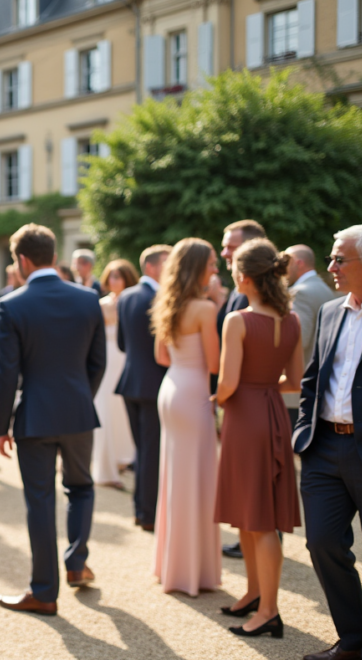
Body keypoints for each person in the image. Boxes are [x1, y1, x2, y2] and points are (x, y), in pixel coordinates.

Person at [0, 224, 107, 615]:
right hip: (78, 412)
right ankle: (76, 564)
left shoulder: (11, 305)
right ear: (54, 256)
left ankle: (44, 592)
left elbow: (6, 373)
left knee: (39, 502)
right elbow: (98, 364)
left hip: (35, 417)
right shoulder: (88, 299)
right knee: (82, 489)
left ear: (22, 260)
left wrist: (1, 426)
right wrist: (78, 400)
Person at [293, 225, 362, 660]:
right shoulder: (331, 311)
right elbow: (313, 377)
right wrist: (304, 432)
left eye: (339, 259)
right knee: (322, 542)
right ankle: (353, 639)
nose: (330, 267)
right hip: (324, 450)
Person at [214, 239, 304, 638]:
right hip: (271, 414)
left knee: (260, 519)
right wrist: (265, 386)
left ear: (244, 278)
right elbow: (297, 381)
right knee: (252, 514)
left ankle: (268, 609)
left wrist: (216, 397)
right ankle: (254, 594)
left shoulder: (239, 320)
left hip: (244, 418)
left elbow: (227, 383)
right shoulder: (293, 320)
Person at [150, 237, 222, 596]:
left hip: (172, 387)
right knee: (196, 479)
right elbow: (215, 364)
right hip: (193, 394)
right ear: (197, 267)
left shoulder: (167, 304)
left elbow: (162, 356)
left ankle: (172, 566)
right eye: (211, 262)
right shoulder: (205, 308)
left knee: (176, 477)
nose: (216, 269)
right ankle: (194, 571)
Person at [218, 219, 267, 560]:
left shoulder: (254, 304)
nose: (224, 252)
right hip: (254, 400)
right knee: (249, 492)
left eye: (230, 246)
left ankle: (262, 596)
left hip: (246, 403)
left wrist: (220, 395)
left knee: (257, 494)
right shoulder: (239, 294)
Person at [115, 245, 172, 531]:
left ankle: (141, 509)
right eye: (167, 263)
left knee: (143, 450)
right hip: (155, 385)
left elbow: (123, 344)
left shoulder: (125, 296)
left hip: (130, 382)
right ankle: (148, 514)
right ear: (151, 267)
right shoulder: (163, 298)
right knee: (151, 452)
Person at [92, 259, 138, 488]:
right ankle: (105, 468)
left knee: (122, 411)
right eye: (111, 276)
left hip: (126, 359)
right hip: (107, 359)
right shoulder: (101, 304)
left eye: (118, 276)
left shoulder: (133, 301)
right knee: (105, 410)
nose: (113, 280)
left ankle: (124, 459)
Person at [283, 244, 337, 426]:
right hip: (319, 385)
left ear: (299, 263)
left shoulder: (300, 293)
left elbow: (299, 339)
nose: (283, 268)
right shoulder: (325, 289)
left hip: (298, 389)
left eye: (286, 262)